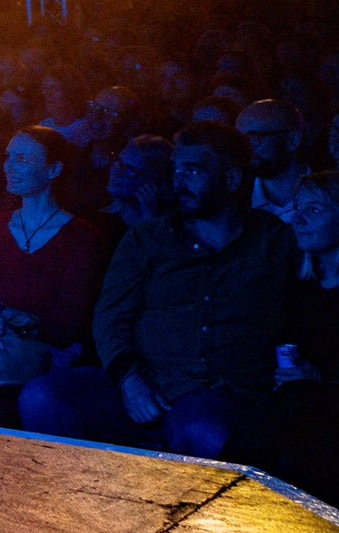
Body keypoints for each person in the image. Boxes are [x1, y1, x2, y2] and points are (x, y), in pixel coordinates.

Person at [18, 122, 296, 459]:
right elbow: (110, 319)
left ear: (232, 178)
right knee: (42, 396)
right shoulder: (146, 238)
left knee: (203, 427)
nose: (179, 179)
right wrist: (129, 381)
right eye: (176, 169)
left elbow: (312, 306)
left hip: (224, 393)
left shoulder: (274, 239)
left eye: (193, 170)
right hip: (146, 382)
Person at [0, 127, 111, 425]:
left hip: (43, 357)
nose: (8, 166)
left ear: (53, 169)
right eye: (7, 156)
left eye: (21, 159)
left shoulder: (82, 238)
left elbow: (67, 325)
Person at [271, 171, 339, 500]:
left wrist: (321, 378)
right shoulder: (301, 282)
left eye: (313, 210)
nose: (298, 220)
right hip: (304, 405)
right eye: (296, 209)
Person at [236, 100, 309, 226]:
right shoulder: (236, 201)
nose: (245, 148)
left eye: (254, 138)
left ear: (292, 140)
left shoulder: (330, 196)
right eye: (240, 140)